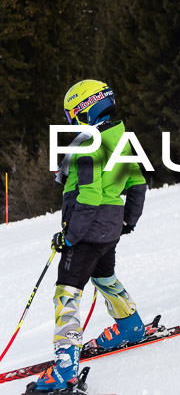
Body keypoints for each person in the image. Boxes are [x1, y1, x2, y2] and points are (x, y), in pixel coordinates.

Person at [33, 80, 147, 392]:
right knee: (104, 276)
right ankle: (131, 326)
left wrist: (70, 237)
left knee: (67, 292)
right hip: (109, 228)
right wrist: (127, 222)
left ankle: (65, 367)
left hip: (88, 228)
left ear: (87, 109)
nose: (72, 123)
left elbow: (89, 196)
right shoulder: (120, 137)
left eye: (73, 116)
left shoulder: (89, 144)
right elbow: (137, 183)